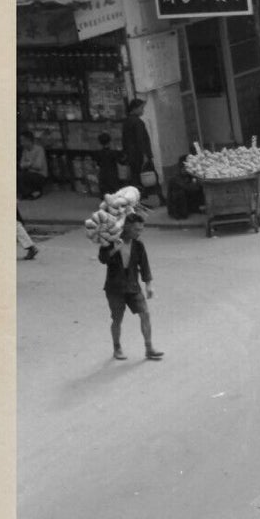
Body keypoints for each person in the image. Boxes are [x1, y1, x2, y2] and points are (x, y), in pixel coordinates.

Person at [98, 213, 163, 362]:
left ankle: (149, 348)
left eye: (140, 230)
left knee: (145, 314)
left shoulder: (138, 245)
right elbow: (103, 259)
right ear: (126, 227)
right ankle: (117, 348)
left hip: (133, 285)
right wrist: (115, 248)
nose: (138, 233)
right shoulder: (111, 240)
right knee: (117, 319)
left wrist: (149, 285)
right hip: (115, 288)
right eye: (136, 229)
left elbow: (144, 266)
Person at [121, 100, 157, 204]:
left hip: (132, 155)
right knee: (149, 177)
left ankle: (138, 199)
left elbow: (125, 140)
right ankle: (151, 198)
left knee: (135, 177)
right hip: (139, 155)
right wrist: (145, 155)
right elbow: (140, 140)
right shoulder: (137, 122)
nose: (143, 110)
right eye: (141, 108)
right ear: (135, 108)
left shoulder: (127, 121)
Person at [17, 130, 49, 199]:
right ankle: (30, 193)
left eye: (22, 141)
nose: (21, 143)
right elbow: (21, 165)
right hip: (29, 173)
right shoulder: (25, 150)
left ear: (28, 140)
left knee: (21, 176)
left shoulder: (39, 149)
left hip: (40, 175)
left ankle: (32, 193)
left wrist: (27, 164)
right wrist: (30, 163)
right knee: (18, 175)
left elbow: (38, 166)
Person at [95, 131, 123, 196]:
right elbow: (121, 161)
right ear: (110, 141)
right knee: (114, 193)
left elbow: (98, 164)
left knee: (104, 192)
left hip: (102, 174)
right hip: (112, 175)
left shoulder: (98, 153)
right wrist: (120, 152)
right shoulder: (113, 153)